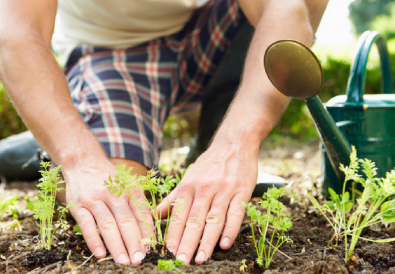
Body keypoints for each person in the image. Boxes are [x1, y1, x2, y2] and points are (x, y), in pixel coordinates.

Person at [0, 0, 328, 266]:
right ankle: (62, 132)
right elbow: (16, 31)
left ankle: (212, 148)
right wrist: (78, 159)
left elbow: (286, 9)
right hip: (114, 49)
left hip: (212, 28)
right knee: (120, 191)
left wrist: (237, 142)